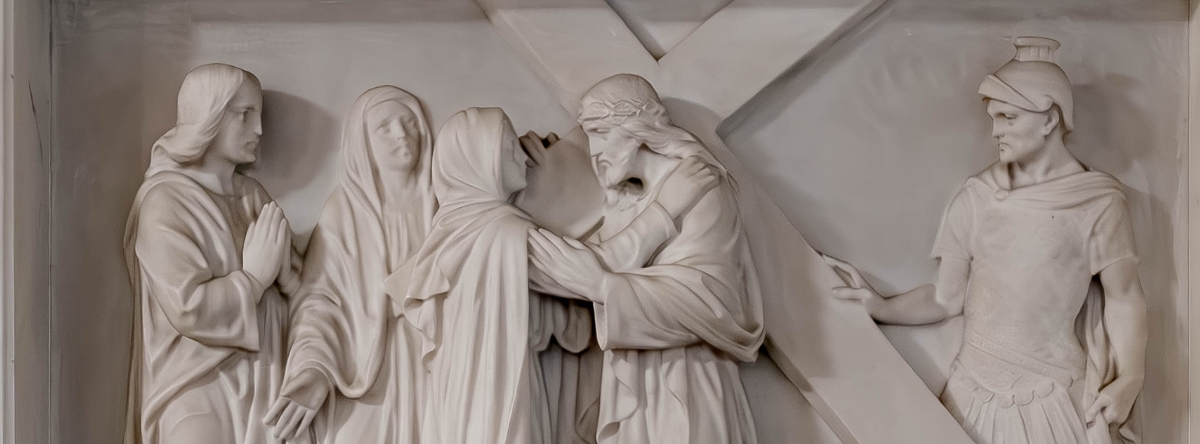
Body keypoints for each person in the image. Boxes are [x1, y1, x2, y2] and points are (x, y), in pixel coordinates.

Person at [824, 37, 1146, 444]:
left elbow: (1124, 297)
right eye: (994, 117)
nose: (995, 131)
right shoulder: (975, 197)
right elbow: (947, 298)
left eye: (1008, 117)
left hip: (1050, 393)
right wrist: (881, 306)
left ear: (1049, 119)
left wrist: (1130, 377)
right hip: (972, 389)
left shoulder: (1097, 203)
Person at [527, 73, 765, 444]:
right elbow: (571, 268)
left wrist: (605, 287)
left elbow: (715, 303)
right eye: (590, 136)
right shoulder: (624, 201)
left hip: (688, 380)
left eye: (602, 133)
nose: (594, 151)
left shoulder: (701, 185)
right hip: (633, 384)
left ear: (639, 130)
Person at [123, 63, 300, 444]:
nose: (259, 130)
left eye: (259, 115)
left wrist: (288, 280)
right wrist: (253, 280)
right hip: (193, 388)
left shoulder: (253, 196)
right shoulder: (166, 202)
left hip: (263, 382)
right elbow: (188, 307)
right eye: (244, 115)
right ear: (210, 118)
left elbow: (297, 289)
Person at [264, 86, 436, 443]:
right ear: (363, 143)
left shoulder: (444, 207)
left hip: (436, 363)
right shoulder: (345, 213)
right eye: (384, 127)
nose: (402, 134)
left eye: (409, 122)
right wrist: (314, 369)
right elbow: (320, 300)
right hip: (368, 367)